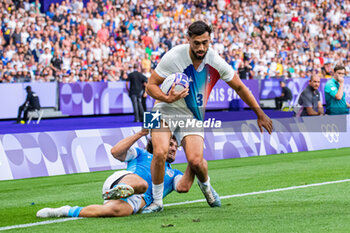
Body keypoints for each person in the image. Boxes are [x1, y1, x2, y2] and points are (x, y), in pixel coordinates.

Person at [144, 21, 273, 213]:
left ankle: (207, 188)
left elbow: (239, 87)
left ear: (210, 40)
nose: (201, 47)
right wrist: (166, 97)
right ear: (188, 40)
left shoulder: (216, 61)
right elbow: (150, 86)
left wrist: (260, 113)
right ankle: (156, 202)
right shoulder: (173, 56)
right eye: (196, 43)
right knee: (160, 152)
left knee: (196, 161)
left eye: (205, 42)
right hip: (162, 107)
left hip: (192, 113)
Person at [36, 129, 195, 218]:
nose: (174, 148)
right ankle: (119, 190)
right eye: (170, 144)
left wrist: (194, 160)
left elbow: (183, 187)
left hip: (136, 201)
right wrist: (141, 133)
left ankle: (64, 210)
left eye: (176, 146)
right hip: (123, 180)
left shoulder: (174, 173)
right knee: (142, 184)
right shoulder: (141, 154)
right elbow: (115, 151)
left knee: (113, 212)